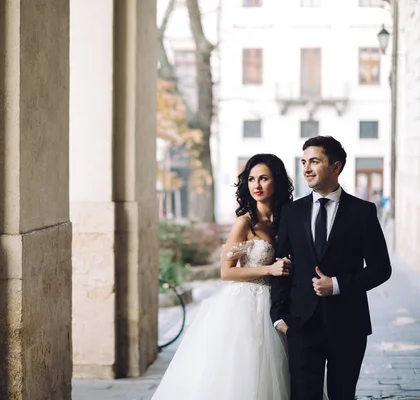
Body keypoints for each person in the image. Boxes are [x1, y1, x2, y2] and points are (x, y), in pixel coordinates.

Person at [151, 154, 294, 399]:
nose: (256, 186)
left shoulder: (288, 219)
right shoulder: (244, 223)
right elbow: (226, 271)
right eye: (251, 179)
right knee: (247, 371)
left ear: (277, 182)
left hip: (281, 303)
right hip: (247, 305)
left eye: (263, 179)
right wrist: (268, 270)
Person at [271, 136, 392, 400]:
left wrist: (337, 285)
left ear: (336, 167)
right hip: (300, 324)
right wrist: (278, 315)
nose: (306, 169)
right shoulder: (291, 212)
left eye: (314, 161)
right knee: (303, 395)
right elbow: (281, 266)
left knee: (342, 394)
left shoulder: (363, 212)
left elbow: (381, 268)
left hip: (348, 324)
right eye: (304, 162)